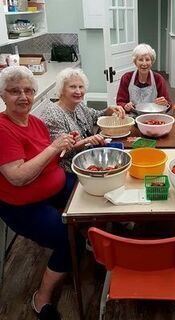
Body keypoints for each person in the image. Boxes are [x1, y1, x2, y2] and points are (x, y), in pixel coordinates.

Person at [0, 66, 85, 319]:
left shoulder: (35, 122)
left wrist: (70, 143)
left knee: (90, 191)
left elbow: (51, 157)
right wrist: (54, 148)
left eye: (28, 90)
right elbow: (17, 177)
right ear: (3, 96)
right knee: (71, 242)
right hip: (22, 205)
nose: (23, 96)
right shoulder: (3, 129)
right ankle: (42, 298)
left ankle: (85, 234)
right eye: (15, 91)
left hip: (52, 186)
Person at [40, 67, 125, 173]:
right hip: (70, 169)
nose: (78, 91)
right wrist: (86, 141)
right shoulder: (52, 114)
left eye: (81, 87)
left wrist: (109, 110)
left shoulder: (78, 105)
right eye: (72, 87)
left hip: (87, 159)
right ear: (61, 90)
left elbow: (95, 116)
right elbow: (62, 151)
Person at [116, 43, 172, 112]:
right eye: (140, 60)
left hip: (152, 117)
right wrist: (125, 106)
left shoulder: (158, 79)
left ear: (152, 62)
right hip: (132, 116)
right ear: (135, 62)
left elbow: (169, 104)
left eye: (147, 60)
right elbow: (120, 102)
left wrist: (165, 104)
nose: (144, 63)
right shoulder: (126, 78)